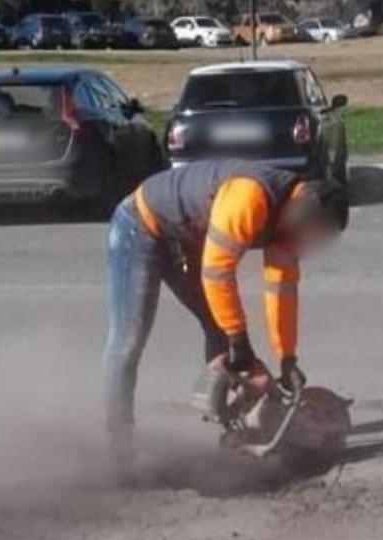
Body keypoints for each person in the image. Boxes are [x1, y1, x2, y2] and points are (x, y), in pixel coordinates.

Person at [103, 159, 349, 456]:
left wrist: (287, 357)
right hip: (141, 225)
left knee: (225, 334)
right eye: (315, 232)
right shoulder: (249, 196)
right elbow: (217, 272)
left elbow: (281, 292)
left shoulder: (288, 226)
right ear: (305, 211)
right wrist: (238, 337)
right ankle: (119, 442)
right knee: (128, 339)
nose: (310, 242)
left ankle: (238, 419)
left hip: (184, 239)